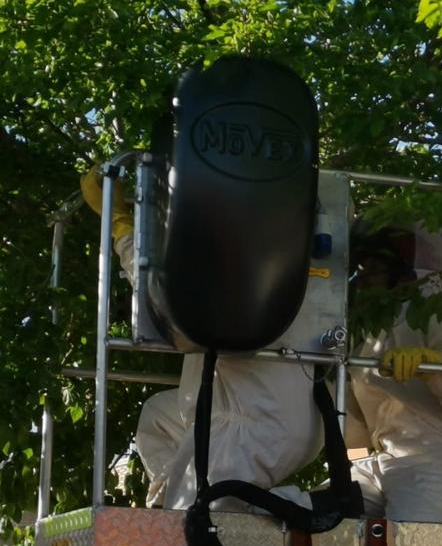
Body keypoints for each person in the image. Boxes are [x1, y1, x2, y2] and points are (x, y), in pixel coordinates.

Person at [80, 166, 323, 510]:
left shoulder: (247, 274)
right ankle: (176, 489)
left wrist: (122, 226)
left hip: (257, 427)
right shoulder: (286, 262)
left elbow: (168, 307)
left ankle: (302, 506)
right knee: (156, 416)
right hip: (257, 411)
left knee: (202, 523)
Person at [344, 222, 442, 524]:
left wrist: (434, 370)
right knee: (302, 518)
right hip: (377, 467)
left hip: (440, 466)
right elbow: (354, 430)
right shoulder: (368, 342)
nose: (361, 279)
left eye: (372, 269)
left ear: (404, 274)